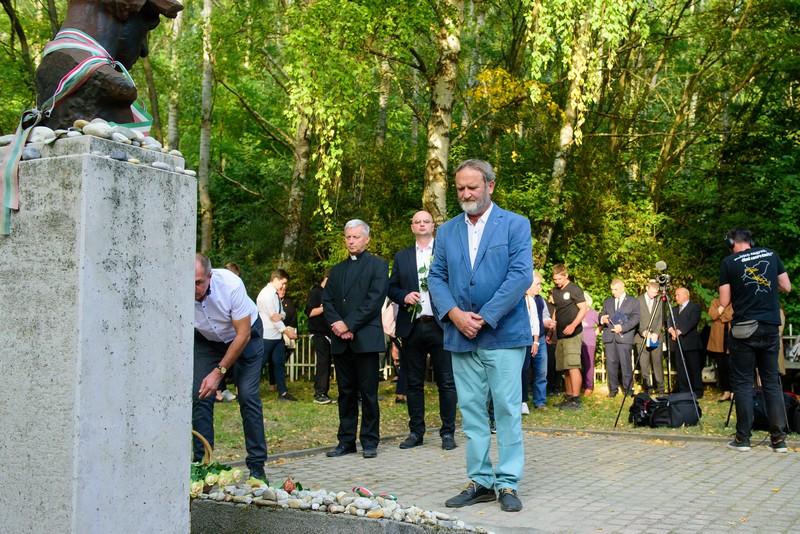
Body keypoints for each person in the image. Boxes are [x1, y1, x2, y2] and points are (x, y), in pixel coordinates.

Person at [428, 159, 532, 513]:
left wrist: (485, 317)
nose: (466, 194)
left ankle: (508, 482)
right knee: (471, 412)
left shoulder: (515, 224)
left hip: (504, 336)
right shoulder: (446, 231)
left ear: (490, 185)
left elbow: (520, 276)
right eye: (460, 188)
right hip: (460, 336)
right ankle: (481, 481)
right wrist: (455, 315)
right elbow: (436, 277)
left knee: (506, 410)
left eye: (472, 187)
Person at [192, 253, 268, 481]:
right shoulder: (175, 289)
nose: (194, 289)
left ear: (210, 276)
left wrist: (219, 372)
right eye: (190, 282)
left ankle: (257, 464)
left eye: (199, 283)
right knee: (200, 395)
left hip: (245, 338)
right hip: (207, 340)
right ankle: (203, 464)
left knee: (247, 395)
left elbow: (243, 334)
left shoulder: (230, 284)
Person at [388, 210, 458, 451]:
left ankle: (447, 433)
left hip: (442, 325)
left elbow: (458, 283)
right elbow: (391, 287)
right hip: (413, 326)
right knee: (413, 384)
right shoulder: (402, 257)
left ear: (433, 225)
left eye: (426, 221)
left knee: (446, 382)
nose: (421, 225)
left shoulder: (446, 252)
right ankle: (416, 432)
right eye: (417, 222)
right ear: (412, 227)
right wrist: (403, 296)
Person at [720, 228, 792, 452]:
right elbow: (786, 286)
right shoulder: (770, 254)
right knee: (771, 383)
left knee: (743, 384)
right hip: (770, 327)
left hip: (744, 329)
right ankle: (778, 440)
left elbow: (724, 301)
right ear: (750, 241)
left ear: (731, 243)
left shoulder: (729, 262)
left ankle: (743, 439)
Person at [322, 220, 389, 459]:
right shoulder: (337, 269)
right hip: (341, 339)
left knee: (368, 393)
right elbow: (327, 300)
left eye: (356, 237)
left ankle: (369, 441)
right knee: (346, 392)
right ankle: (346, 441)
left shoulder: (378, 265)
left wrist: (349, 324)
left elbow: (374, 300)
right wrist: (338, 326)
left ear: (367, 239)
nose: (351, 241)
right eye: (348, 237)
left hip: (365, 338)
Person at [256, 269, 298, 401]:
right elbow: (274, 319)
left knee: (279, 363)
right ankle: (248, 391)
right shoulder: (266, 294)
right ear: (275, 280)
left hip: (276, 336)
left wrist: (281, 316)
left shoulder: (275, 294)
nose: (284, 286)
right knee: (259, 365)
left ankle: (283, 392)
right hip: (267, 336)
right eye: (283, 283)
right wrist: (287, 332)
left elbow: (282, 313)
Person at [551, 264, 588, 410]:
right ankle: (569, 396)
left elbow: (583, 309)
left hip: (573, 334)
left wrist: (573, 325)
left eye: (559, 279)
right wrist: (551, 331)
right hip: (560, 335)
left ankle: (576, 400)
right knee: (565, 367)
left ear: (565, 275)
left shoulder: (574, 289)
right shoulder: (555, 291)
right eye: (555, 279)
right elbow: (557, 310)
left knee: (573, 366)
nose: (557, 282)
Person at [599, 279, 640, 398]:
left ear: (623, 289)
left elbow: (636, 318)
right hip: (610, 337)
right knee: (611, 364)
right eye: (612, 289)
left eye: (616, 289)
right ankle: (613, 389)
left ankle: (628, 389)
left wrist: (622, 328)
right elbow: (601, 314)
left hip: (624, 336)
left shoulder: (633, 301)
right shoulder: (608, 301)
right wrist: (602, 318)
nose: (613, 292)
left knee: (626, 363)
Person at [525, 270, 554, 411]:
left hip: (540, 339)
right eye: (537, 284)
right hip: (524, 339)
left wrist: (548, 323)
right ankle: (521, 401)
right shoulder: (518, 299)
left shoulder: (540, 300)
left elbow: (544, 317)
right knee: (522, 371)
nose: (540, 288)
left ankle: (540, 401)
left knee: (541, 372)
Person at [667, 287, 703, 398]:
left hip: (690, 343)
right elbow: (668, 321)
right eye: (675, 295)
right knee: (680, 368)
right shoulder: (674, 309)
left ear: (686, 295)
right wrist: (672, 331)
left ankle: (697, 390)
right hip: (677, 344)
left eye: (678, 295)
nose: (676, 297)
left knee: (694, 367)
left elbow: (692, 322)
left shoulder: (695, 308)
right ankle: (684, 390)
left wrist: (679, 331)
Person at [305, 270, 334, 404]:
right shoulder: (315, 292)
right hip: (318, 333)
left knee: (326, 361)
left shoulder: (329, 294)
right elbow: (310, 312)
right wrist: (325, 307)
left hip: (329, 333)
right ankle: (319, 393)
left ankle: (324, 392)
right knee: (323, 362)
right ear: (326, 279)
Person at [636, 280, 665, 395]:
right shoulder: (638, 301)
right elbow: (635, 318)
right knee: (644, 364)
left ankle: (660, 388)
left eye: (656, 292)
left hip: (655, 337)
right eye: (652, 292)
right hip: (641, 337)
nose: (654, 294)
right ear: (647, 289)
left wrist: (656, 333)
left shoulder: (659, 301)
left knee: (657, 363)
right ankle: (647, 388)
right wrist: (642, 331)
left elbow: (661, 318)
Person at [707, 296, 733, 402]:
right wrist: (721, 308)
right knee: (721, 368)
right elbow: (712, 315)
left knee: (732, 367)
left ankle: (734, 392)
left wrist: (720, 315)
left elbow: (731, 315)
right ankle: (726, 391)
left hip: (731, 341)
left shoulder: (734, 302)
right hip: (718, 342)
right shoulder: (715, 302)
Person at [580, 294, 599, 396]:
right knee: (577, 364)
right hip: (577, 341)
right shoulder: (577, 312)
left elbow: (602, 323)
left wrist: (596, 332)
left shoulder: (593, 313)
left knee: (588, 364)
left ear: (588, 302)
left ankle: (588, 386)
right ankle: (578, 385)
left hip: (589, 342)